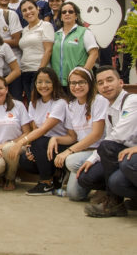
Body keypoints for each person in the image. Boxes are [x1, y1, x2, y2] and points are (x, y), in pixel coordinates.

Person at [77, 66, 137, 217]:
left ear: (121, 82)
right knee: (86, 176)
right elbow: (110, 139)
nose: (106, 85)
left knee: (123, 167)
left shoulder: (132, 101)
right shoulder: (110, 109)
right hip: (124, 154)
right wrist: (92, 160)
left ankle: (114, 202)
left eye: (110, 80)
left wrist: (96, 154)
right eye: (101, 83)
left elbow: (118, 136)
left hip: (131, 156)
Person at [8, 67, 70, 195]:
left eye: (47, 82)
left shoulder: (60, 103)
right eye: (39, 82)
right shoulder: (34, 103)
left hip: (61, 144)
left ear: (54, 83)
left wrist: (20, 142)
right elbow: (35, 128)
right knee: (25, 159)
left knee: (39, 142)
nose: (43, 86)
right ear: (35, 84)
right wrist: (31, 149)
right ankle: (56, 174)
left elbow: (43, 129)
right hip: (43, 146)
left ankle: (46, 183)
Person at [49, 67, 107, 201]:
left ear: (90, 83)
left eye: (82, 82)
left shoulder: (99, 101)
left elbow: (96, 134)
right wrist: (55, 138)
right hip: (83, 152)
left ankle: (104, 188)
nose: (77, 86)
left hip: (99, 151)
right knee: (74, 195)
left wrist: (69, 151)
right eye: (73, 83)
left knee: (70, 160)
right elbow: (72, 137)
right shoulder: (72, 106)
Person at [51, 2, 99, 88]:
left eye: (70, 11)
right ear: (61, 17)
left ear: (76, 16)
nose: (67, 14)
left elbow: (94, 53)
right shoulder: (55, 35)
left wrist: (83, 74)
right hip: (58, 84)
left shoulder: (84, 32)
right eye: (64, 12)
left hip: (78, 83)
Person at [18, 0, 55, 101]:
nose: (28, 12)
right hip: (25, 72)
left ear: (37, 9)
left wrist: (40, 73)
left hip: (39, 71)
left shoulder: (45, 26)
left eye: (30, 8)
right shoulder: (24, 30)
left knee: (42, 103)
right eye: (24, 10)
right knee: (32, 105)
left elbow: (48, 50)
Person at [82, 0, 117, 67]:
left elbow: (113, 5)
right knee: (88, 52)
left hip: (104, 25)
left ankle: (107, 75)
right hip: (88, 26)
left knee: (105, 53)